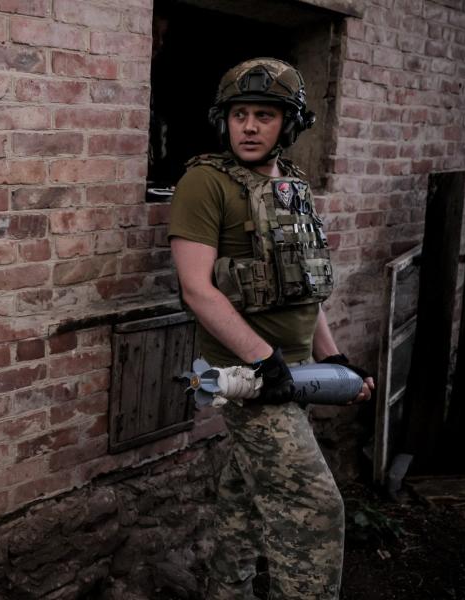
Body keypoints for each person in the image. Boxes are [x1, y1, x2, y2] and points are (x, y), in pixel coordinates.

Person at [168, 58, 375, 599]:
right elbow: (197, 289)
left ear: (291, 123)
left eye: (265, 115)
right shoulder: (204, 182)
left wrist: (332, 358)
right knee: (314, 507)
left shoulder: (293, 185)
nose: (251, 126)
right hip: (251, 374)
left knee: (242, 496)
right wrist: (264, 359)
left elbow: (304, 286)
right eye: (240, 115)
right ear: (225, 120)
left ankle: (225, 591)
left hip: (296, 371)